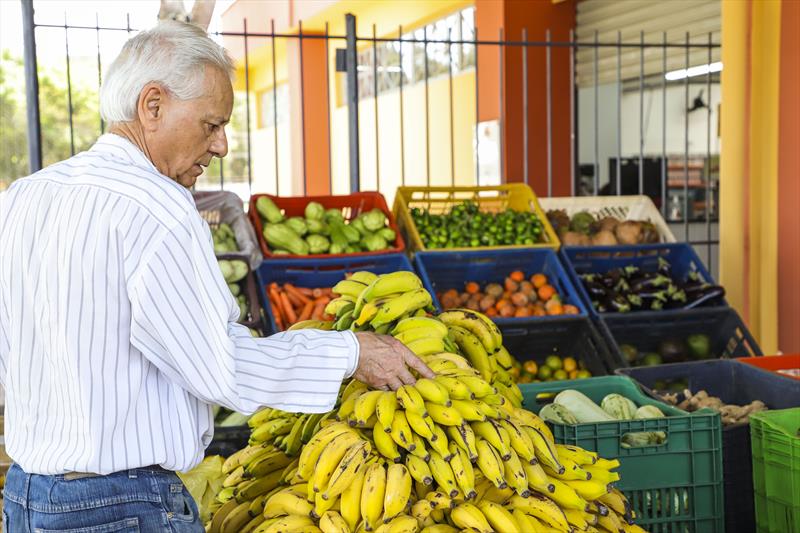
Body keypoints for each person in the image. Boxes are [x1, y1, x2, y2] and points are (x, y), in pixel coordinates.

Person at [0, 20, 433, 532]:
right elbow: (220, 367)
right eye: (211, 125)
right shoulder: (158, 208)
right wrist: (352, 351)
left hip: (28, 496)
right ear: (152, 105)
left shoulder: (22, 198)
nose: (223, 146)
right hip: (122, 507)